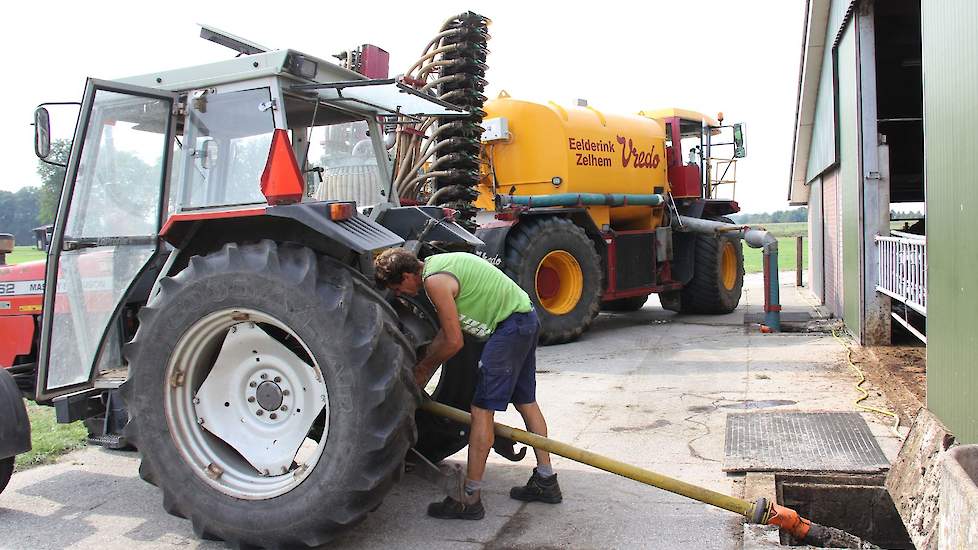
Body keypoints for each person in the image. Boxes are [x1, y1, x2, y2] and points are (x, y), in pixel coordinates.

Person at [375, 248, 562, 520]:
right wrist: (421, 370)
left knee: (481, 411)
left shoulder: (434, 281)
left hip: (509, 328)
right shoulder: (438, 266)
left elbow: (454, 341)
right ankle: (546, 479)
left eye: (397, 287)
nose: (400, 293)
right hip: (524, 319)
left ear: (406, 275)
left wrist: (424, 369)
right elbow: (444, 334)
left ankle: (470, 497)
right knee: (526, 402)